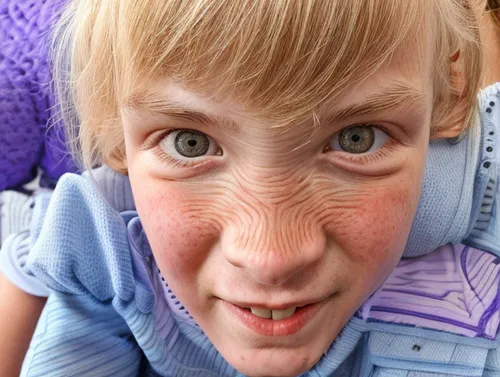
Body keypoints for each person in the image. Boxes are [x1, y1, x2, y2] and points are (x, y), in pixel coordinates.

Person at [3, 0, 500, 376]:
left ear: (449, 99)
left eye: (357, 138)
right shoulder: (104, 253)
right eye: (190, 143)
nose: (271, 259)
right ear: (115, 129)